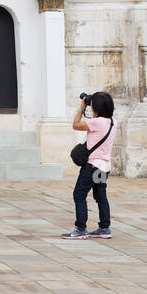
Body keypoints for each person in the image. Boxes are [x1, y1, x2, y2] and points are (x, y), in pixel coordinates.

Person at [62, 92, 115, 239]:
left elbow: (75, 125)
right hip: (104, 167)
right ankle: (104, 228)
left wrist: (81, 107)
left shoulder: (97, 123)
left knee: (79, 195)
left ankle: (80, 229)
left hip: (92, 167)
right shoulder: (112, 122)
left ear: (96, 107)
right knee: (100, 196)